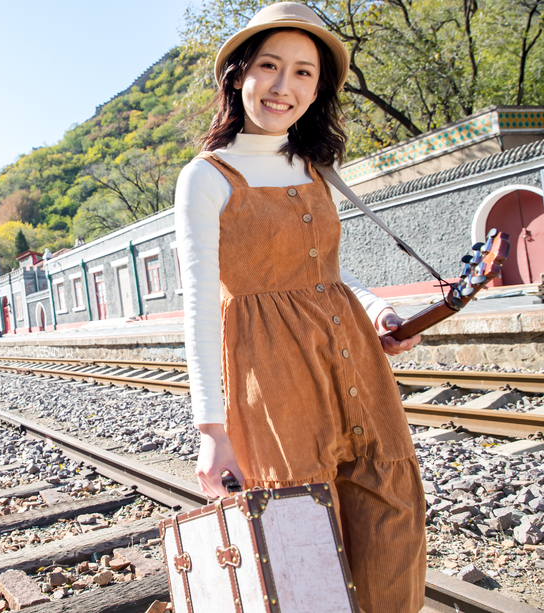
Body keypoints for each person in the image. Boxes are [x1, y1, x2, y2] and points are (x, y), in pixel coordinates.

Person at [174, 3, 426, 612]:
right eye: (269, 66)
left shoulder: (315, 166)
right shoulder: (206, 176)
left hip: (356, 366)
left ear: (319, 89)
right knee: (299, 541)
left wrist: (373, 310)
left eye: (304, 73)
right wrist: (212, 430)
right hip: (271, 379)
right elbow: (203, 306)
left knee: (391, 516)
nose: (285, 86)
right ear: (238, 75)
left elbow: (324, 274)